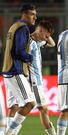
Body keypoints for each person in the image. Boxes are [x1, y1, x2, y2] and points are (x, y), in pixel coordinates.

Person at [2, 4, 37, 135]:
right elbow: (19, 51)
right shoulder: (23, 28)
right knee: (29, 104)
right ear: (24, 14)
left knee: (14, 107)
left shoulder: (13, 26)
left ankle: (9, 132)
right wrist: (30, 57)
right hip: (15, 70)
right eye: (32, 14)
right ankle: (9, 133)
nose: (35, 17)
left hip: (7, 70)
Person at [28, 20, 56, 135]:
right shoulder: (30, 43)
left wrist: (45, 35)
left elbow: (52, 44)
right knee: (42, 109)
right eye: (46, 35)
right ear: (40, 30)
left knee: (42, 109)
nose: (47, 38)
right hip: (33, 81)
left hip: (37, 81)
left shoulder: (37, 42)